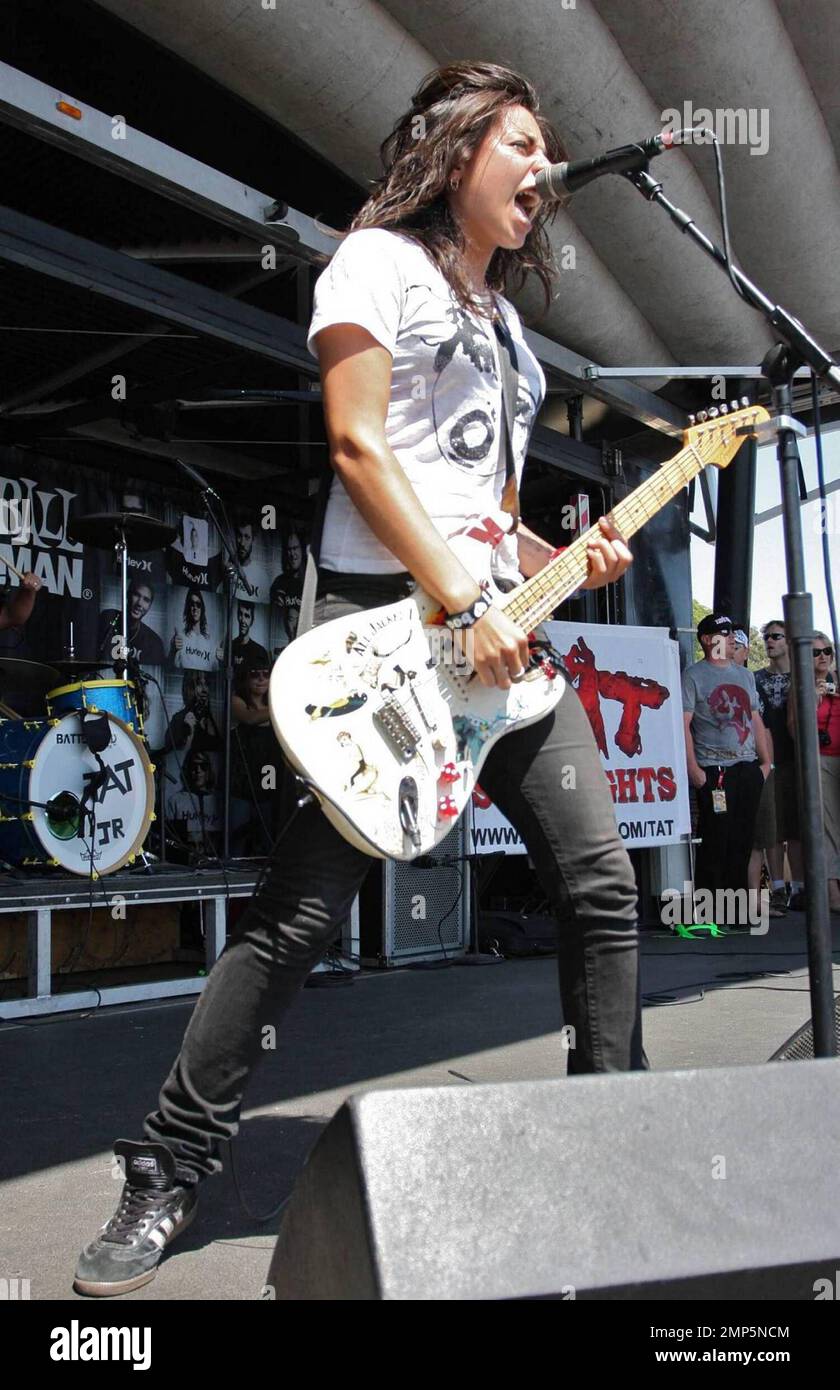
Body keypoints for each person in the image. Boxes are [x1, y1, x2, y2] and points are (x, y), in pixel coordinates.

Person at [74, 61, 643, 1298]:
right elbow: (357, 444)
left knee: (602, 887)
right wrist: (457, 595)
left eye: (552, 149)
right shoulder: (376, 262)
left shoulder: (514, 340)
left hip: (496, 639)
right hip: (387, 628)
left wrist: (567, 557)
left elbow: (488, 520)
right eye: (526, 142)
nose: (546, 168)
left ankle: (613, 1148)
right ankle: (168, 1163)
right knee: (297, 920)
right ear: (458, 146)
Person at [682, 614, 770, 907]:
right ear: (708, 640)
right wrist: (693, 768)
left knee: (743, 839)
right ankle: (710, 910)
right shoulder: (693, 675)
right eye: (724, 632)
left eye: (733, 632)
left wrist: (765, 762)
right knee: (716, 838)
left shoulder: (745, 674)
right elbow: (683, 724)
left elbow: (755, 718)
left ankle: (737, 910)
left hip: (747, 768)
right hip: (714, 769)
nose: (732, 637)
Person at [786, 632, 840, 914]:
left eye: (826, 651)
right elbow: (795, 730)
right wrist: (814, 702)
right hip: (819, 760)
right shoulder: (801, 686)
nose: (822, 657)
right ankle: (831, 893)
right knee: (826, 827)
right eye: (815, 652)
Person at [755, 619, 803, 911]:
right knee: (772, 828)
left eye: (776, 636)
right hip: (769, 762)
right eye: (766, 637)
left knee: (797, 826)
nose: (770, 641)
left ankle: (798, 887)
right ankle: (777, 887)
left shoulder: (802, 677)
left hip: (798, 760)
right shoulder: (755, 678)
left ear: (789, 641)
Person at [734, 629, 782, 915]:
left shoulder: (752, 683)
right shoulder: (700, 677)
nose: (731, 649)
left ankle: (754, 903)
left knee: (759, 839)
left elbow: (764, 728)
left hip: (755, 766)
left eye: (737, 645)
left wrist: (767, 765)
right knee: (736, 837)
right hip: (724, 769)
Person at [229, 661, 283, 855]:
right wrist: (282, 704)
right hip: (242, 778)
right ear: (246, 678)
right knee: (238, 833)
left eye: (266, 674)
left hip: (268, 773)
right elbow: (249, 718)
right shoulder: (237, 700)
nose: (261, 679)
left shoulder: (272, 702)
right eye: (254, 674)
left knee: (267, 828)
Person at [97, 579, 166, 667]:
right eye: (137, 595)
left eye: (146, 600)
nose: (139, 603)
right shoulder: (107, 617)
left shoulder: (154, 642)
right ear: (128, 595)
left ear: (149, 606)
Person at [164, 671, 222, 756]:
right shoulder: (179, 719)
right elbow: (174, 756)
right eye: (199, 684)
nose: (204, 689)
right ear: (189, 687)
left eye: (206, 684)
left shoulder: (212, 718)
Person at [169, 588, 223, 672]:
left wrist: (221, 661)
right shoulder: (180, 638)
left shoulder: (211, 641)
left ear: (202, 608)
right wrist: (173, 651)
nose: (195, 608)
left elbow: (215, 669)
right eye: (191, 604)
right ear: (188, 608)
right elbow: (172, 667)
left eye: (198, 604)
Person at [269, 531, 305, 644]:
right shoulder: (279, 583)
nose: (292, 554)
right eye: (289, 550)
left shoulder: (311, 582)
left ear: (302, 550)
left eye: (295, 548)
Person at [231, 600, 269, 672]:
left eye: (247, 616)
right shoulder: (230, 647)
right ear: (237, 616)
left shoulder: (260, 651)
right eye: (240, 614)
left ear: (252, 620)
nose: (243, 620)